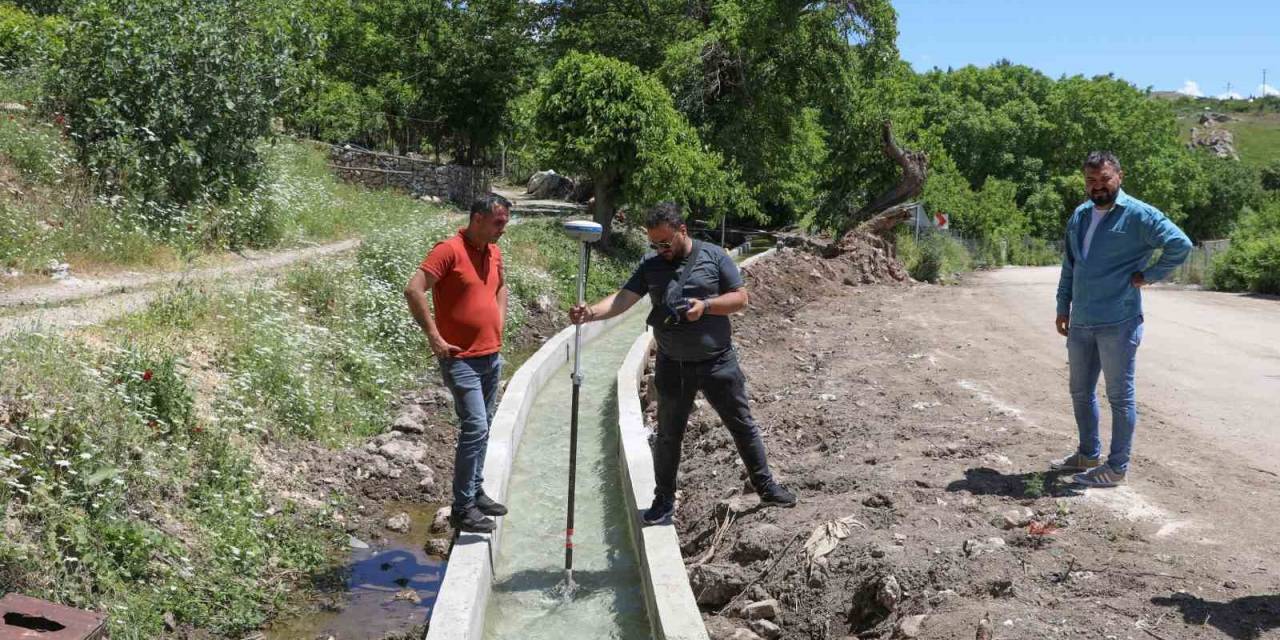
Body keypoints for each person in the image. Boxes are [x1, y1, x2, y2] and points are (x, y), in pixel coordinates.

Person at [569, 202, 796, 525]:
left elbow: (741, 299)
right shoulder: (651, 265)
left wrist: (705, 306)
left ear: (682, 232)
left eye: (665, 242)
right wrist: (591, 313)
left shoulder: (714, 256)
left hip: (718, 362)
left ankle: (766, 486)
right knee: (668, 436)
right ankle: (663, 500)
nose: (660, 249)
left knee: (741, 425)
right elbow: (624, 298)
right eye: (654, 244)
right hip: (672, 365)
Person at [1051, 151, 1191, 488]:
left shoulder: (1140, 215)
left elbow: (1180, 245)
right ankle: (1087, 454)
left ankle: (1116, 468)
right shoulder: (1081, 214)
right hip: (1082, 320)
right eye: (1091, 180)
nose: (1097, 186)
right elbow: (1072, 264)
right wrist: (1062, 305)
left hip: (1119, 320)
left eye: (1104, 179)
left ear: (1119, 176)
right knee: (1080, 392)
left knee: (1119, 397)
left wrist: (1149, 275)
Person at [404, 194, 512, 532]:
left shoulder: (493, 252)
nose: (502, 230)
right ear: (477, 219)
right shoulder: (448, 250)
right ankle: (463, 507)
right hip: (460, 358)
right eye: (498, 223)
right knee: (475, 426)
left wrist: (498, 321)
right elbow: (414, 289)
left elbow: (501, 287)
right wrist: (435, 338)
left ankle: (475, 492)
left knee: (485, 427)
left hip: (490, 355)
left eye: (505, 224)